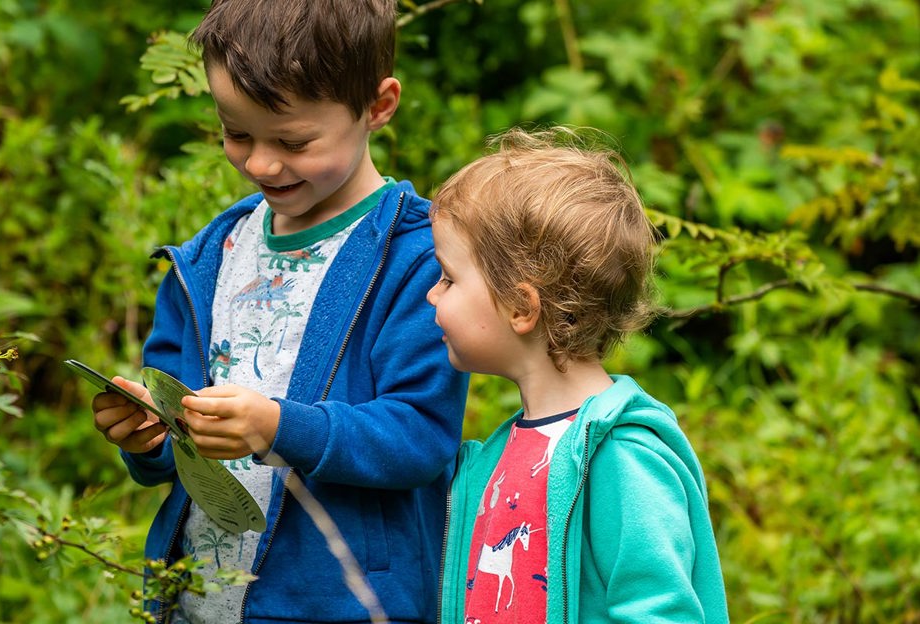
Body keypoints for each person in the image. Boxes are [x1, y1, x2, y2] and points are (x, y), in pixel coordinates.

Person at [91, 1, 468, 622]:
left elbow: (419, 435)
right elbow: (171, 441)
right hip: (199, 599)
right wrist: (149, 434)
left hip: (341, 604)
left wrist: (278, 428)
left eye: (293, 141)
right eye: (237, 133)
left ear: (378, 106)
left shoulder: (420, 257)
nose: (261, 164)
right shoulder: (214, 255)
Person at [430, 127, 729, 623]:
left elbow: (662, 610)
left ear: (520, 306)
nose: (432, 296)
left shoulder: (621, 454)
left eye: (448, 278)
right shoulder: (502, 453)